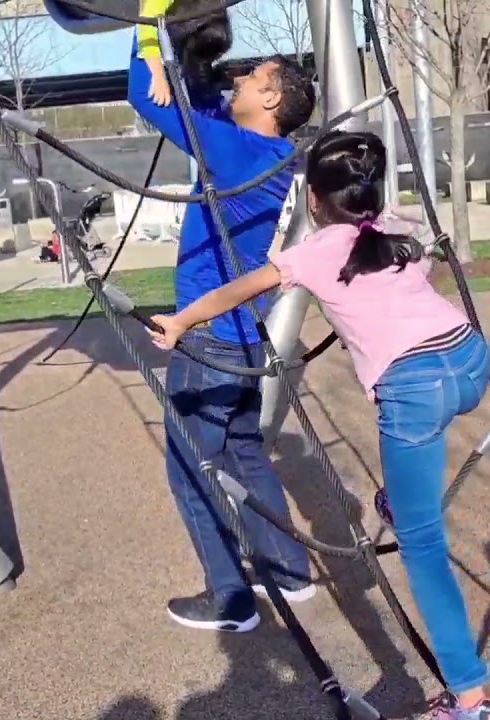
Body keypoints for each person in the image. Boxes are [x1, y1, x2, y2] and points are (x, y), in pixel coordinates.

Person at [148, 130, 490, 720]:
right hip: (470, 361)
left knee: (422, 547)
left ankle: (471, 700)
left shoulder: (314, 251)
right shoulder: (396, 230)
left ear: (313, 200)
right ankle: (403, 495)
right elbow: (414, 283)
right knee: (421, 442)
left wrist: (181, 322)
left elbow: (238, 291)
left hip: (415, 389)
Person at [127, 28, 320, 631]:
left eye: (254, 78)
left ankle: (229, 600)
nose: (241, 78)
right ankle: (289, 570)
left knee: (190, 469)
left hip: (208, 341)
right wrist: (194, 63)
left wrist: (145, 24)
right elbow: (205, 109)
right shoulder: (274, 155)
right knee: (244, 452)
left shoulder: (237, 153)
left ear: (272, 100)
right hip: (244, 340)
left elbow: (142, 94)